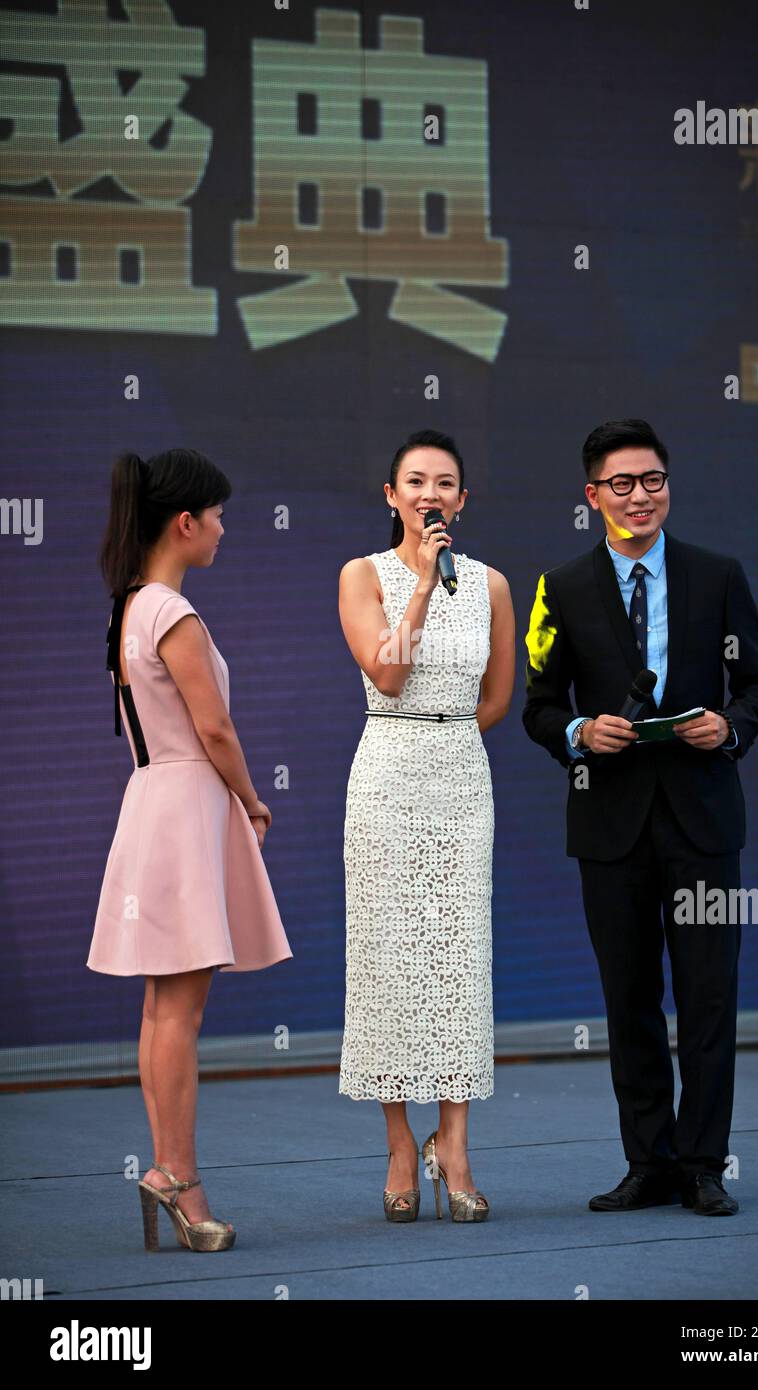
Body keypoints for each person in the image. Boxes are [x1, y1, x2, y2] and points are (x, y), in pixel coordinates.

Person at [522, 419, 758, 1216]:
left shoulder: (718, 574)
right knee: (628, 998)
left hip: (704, 815)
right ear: (592, 495)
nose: (642, 497)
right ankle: (649, 1161)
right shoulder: (560, 587)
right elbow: (538, 706)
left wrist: (728, 727)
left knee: (708, 997)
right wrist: (579, 733)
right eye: (624, 485)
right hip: (610, 822)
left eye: (655, 481)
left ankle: (705, 1163)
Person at [88, 448, 292, 1252]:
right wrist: (251, 800)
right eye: (216, 514)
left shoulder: (130, 606)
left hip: (154, 804)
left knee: (162, 1008)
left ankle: (170, 1171)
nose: (222, 527)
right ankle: (177, 1178)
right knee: (179, 1010)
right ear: (185, 522)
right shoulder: (170, 612)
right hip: (183, 806)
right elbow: (214, 729)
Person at [338, 428, 514, 1222]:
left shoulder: (494, 585)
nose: (430, 494)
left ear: (463, 500)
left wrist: (451, 741)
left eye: (445, 483)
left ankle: (458, 1145)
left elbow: (499, 697)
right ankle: (401, 1144)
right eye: (415, 481)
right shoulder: (360, 575)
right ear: (391, 496)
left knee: (457, 958)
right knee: (389, 958)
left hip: (460, 775)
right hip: (385, 772)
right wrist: (420, 587)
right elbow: (388, 669)